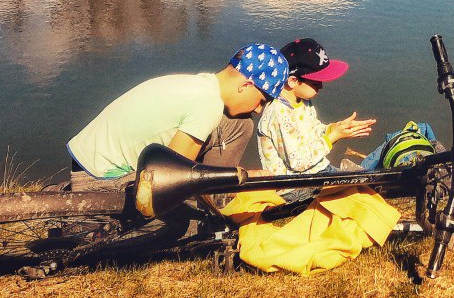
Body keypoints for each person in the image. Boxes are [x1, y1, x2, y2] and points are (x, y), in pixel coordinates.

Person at [66, 43, 290, 191]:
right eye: (262, 100)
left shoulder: (200, 84)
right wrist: (242, 177)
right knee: (190, 222)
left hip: (84, 160)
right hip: (98, 179)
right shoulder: (209, 104)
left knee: (239, 124)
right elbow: (173, 178)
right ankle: (215, 199)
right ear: (247, 85)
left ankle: (217, 194)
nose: (259, 110)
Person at [258, 38, 436, 176]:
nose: (321, 86)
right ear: (293, 81)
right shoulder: (278, 114)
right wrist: (332, 138)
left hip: (319, 170)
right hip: (296, 187)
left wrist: (335, 128)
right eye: (316, 82)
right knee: (370, 183)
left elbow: (312, 131)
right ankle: (356, 173)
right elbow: (298, 163)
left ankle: (357, 170)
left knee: (402, 137)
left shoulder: (302, 102)